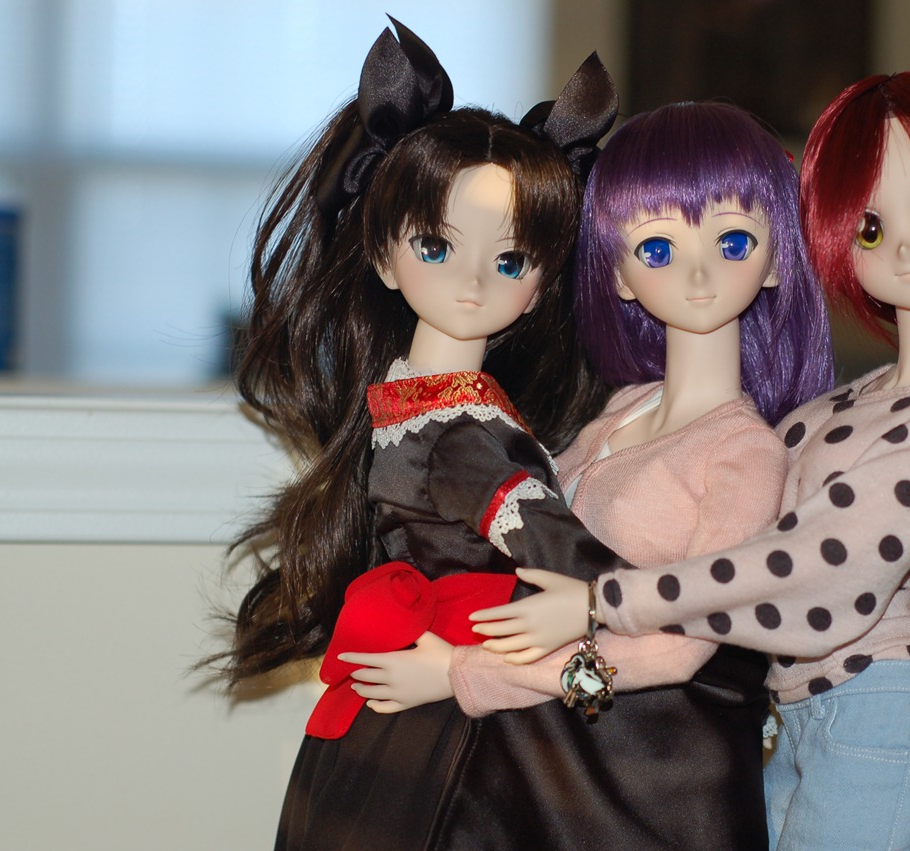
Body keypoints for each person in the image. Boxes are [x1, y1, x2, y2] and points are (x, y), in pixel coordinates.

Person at [472, 71, 910, 851]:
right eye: (870, 227)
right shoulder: (841, 404)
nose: (905, 246)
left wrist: (601, 602)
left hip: (887, 710)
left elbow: (816, 569)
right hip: (807, 716)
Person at [211, 18, 666, 850]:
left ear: (539, 287)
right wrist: (669, 599)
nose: (471, 282)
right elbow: (567, 557)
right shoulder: (458, 428)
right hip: (460, 714)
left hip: (428, 690)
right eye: (435, 246)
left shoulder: (411, 407)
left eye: (509, 261)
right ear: (385, 258)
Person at [345, 101, 834, 850]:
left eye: (733, 241)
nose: (698, 272)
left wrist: (470, 672)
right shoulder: (617, 413)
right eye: (657, 247)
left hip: (656, 787)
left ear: (775, 261)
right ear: (620, 275)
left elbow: (680, 648)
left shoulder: (744, 453)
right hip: (565, 770)